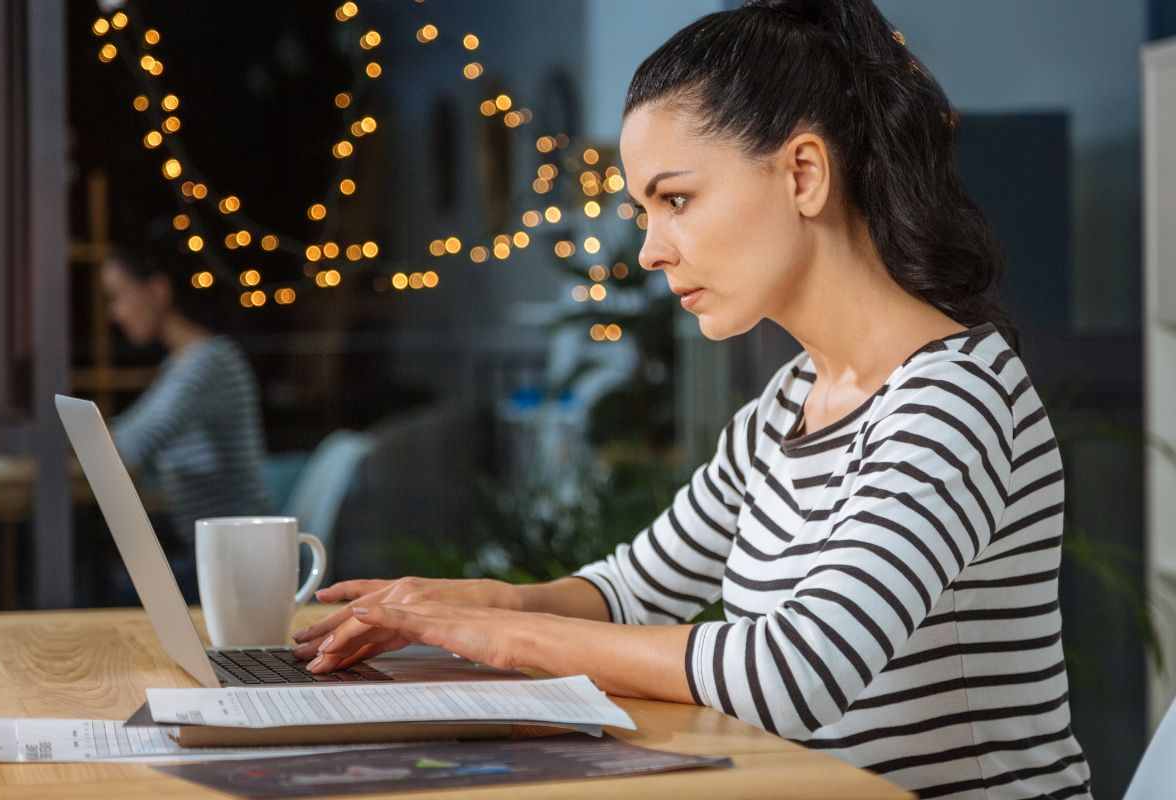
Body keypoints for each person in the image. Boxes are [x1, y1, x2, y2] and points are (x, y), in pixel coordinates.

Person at [290, 1, 1089, 796]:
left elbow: (795, 671)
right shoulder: (787, 406)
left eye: (675, 199)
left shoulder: (953, 398)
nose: (651, 248)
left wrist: (499, 635)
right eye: (645, 209)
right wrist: (458, 605)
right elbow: (632, 592)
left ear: (803, 173)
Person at [101, 225, 271, 596]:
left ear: (157, 291)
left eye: (118, 296)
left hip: (236, 563)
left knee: (103, 578)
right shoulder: (184, 364)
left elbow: (129, 444)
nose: (115, 313)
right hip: (210, 553)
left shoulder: (208, 364)